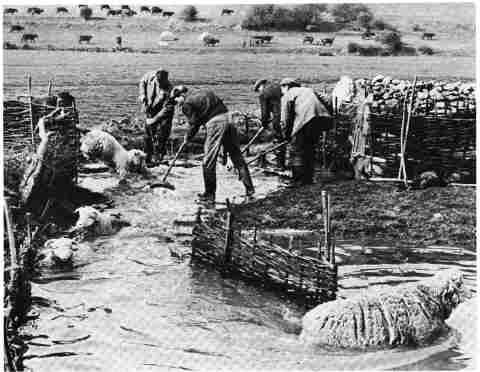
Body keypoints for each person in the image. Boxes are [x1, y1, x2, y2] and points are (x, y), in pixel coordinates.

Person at [178, 89, 255, 203]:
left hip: (215, 123)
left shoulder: (187, 103)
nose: (177, 104)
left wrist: (188, 137)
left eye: (176, 100)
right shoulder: (203, 92)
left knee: (208, 160)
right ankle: (250, 189)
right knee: (236, 156)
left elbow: (194, 124)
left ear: (181, 95)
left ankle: (209, 195)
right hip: (228, 119)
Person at [280, 78, 333, 186]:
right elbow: (328, 100)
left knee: (296, 150)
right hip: (321, 119)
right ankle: (308, 178)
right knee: (310, 148)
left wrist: (286, 136)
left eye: (282, 87)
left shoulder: (288, 95)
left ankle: (298, 180)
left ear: (286, 86)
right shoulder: (308, 90)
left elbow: (285, 119)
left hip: (307, 120)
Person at [138, 69, 174, 166]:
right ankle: (147, 158)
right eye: (158, 82)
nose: (159, 85)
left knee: (162, 134)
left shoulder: (169, 90)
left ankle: (160, 157)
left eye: (161, 83)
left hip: (164, 113)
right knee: (147, 133)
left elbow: (167, 109)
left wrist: (153, 120)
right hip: (150, 107)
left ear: (165, 80)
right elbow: (142, 81)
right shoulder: (150, 76)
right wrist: (142, 95)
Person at [253, 79, 286, 169]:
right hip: (288, 117)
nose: (259, 92)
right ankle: (282, 163)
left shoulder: (264, 93)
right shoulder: (279, 86)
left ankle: (280, 165)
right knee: (286, 141)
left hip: (278, 120)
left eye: (258, 90)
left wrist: (264, 123)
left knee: (279, 141)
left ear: (261, 86)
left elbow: (265, 112)